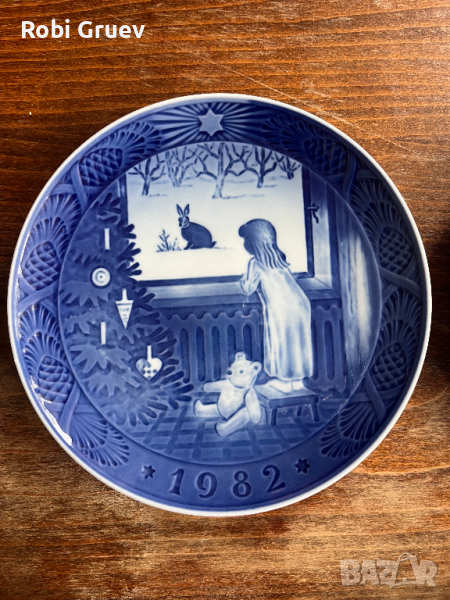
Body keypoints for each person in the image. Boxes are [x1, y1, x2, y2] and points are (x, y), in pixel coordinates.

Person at [239, 219, 313, 392]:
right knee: (297, 343)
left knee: (281, 343)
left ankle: (285, 382)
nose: (244, 244)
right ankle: (297, 381)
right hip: (300, 304)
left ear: (253, 242)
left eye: (246, 240)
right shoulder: (278, 259)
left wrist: (242, 279)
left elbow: (248, 288)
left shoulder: (255, 263)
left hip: (281, 309)